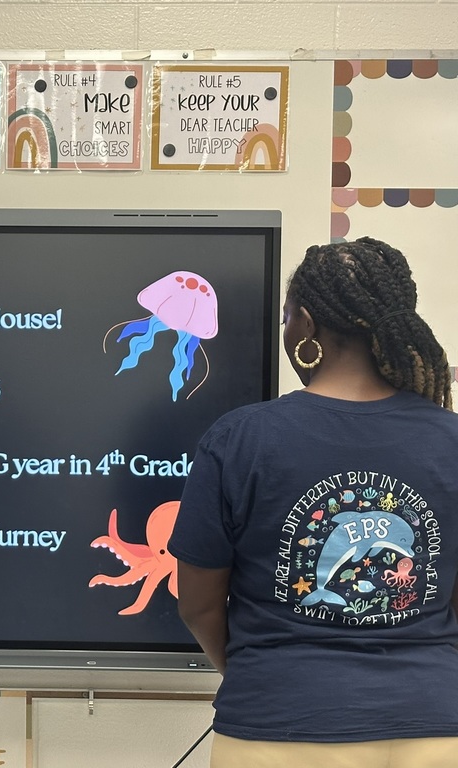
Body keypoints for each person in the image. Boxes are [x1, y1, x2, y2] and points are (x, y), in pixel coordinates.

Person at [169, 237, 458, 767]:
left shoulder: (239, 439)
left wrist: (261, 671)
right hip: (437, 730)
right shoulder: (452, 440)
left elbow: (199, 604)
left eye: (285, 317)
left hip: (275, 729)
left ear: (304, 323)